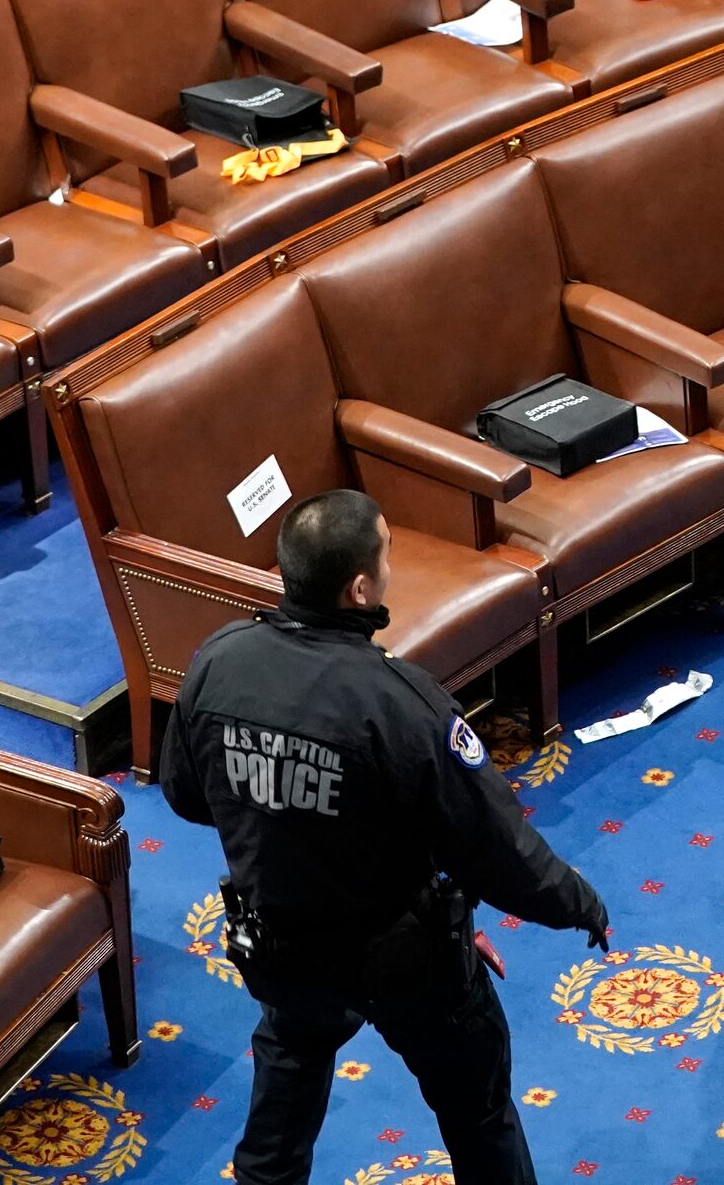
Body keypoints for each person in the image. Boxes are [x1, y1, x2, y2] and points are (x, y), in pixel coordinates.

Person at [162, 490, 609, 1185]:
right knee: (477, 1114)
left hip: (282, 945)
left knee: (280, 1112)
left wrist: (284, 827)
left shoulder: (219, 659)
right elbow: (493, 847)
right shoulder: (401, 701)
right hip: (404, 959)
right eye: (388, 551)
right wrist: (576, 902)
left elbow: (188, 795)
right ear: (360, 586)